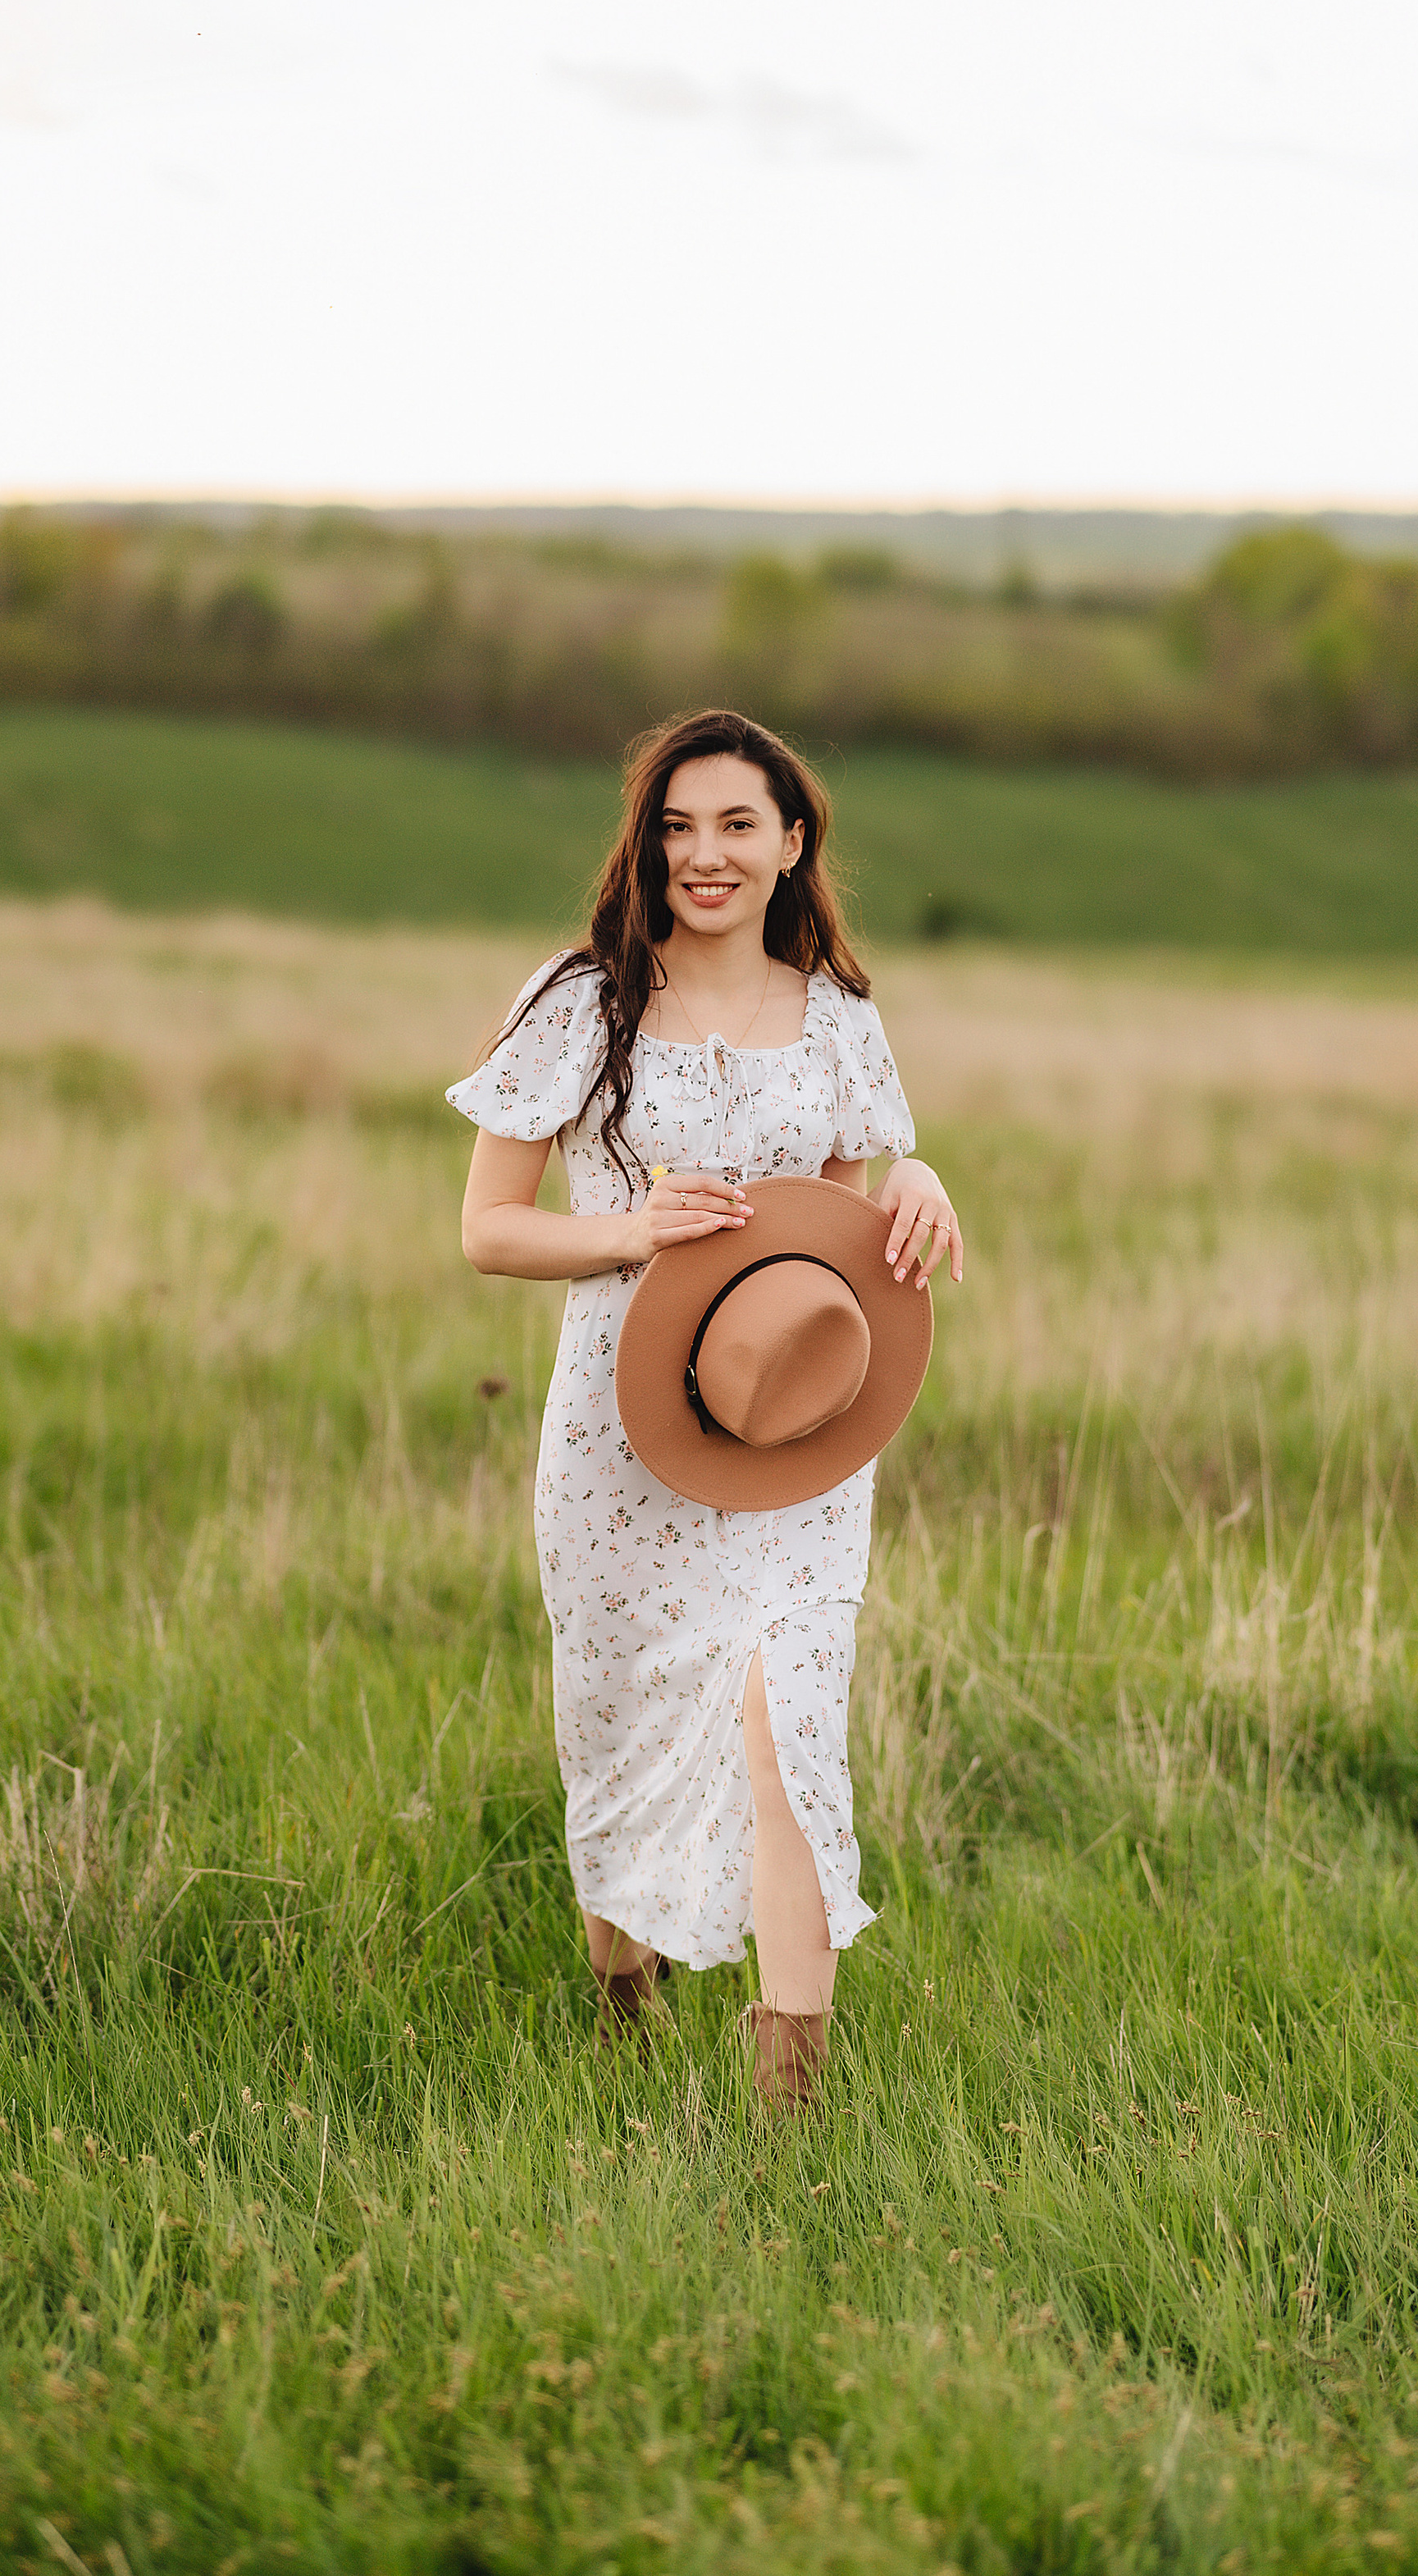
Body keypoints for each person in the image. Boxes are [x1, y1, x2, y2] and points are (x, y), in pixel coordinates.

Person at [449, 708, 963, 2103]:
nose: (704, 853)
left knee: (786, 1713)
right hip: (623, 1437)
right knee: (619, 1727)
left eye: (737, 824)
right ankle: (626, 2005)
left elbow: (850, 1222)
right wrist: (631, 1231)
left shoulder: (842, 1018)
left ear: (794, 843)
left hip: (795, 1436)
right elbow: (489, 1228)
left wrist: (919, 1182)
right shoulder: (583, 1000)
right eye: (678, 826)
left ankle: (789, 2088)